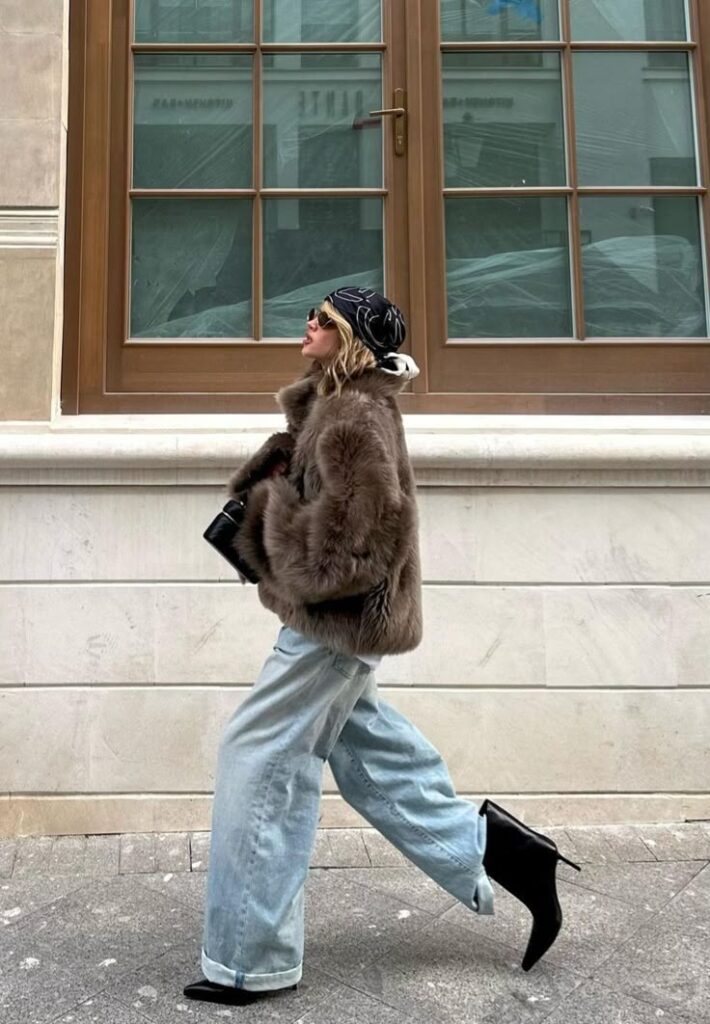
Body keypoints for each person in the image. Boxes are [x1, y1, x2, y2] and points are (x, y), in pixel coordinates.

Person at [184, 287, 580, 1007]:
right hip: (340, 624)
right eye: (311, 314)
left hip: (335, 623)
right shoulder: (334, 406)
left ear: (353, 338)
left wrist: (268, 518)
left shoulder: (354, 416)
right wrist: (277, 474)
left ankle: (249, 961)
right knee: (372, 757)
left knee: (258, 756)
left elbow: (356, 546)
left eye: (324, 319)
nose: (308, 323)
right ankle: (504, 853)